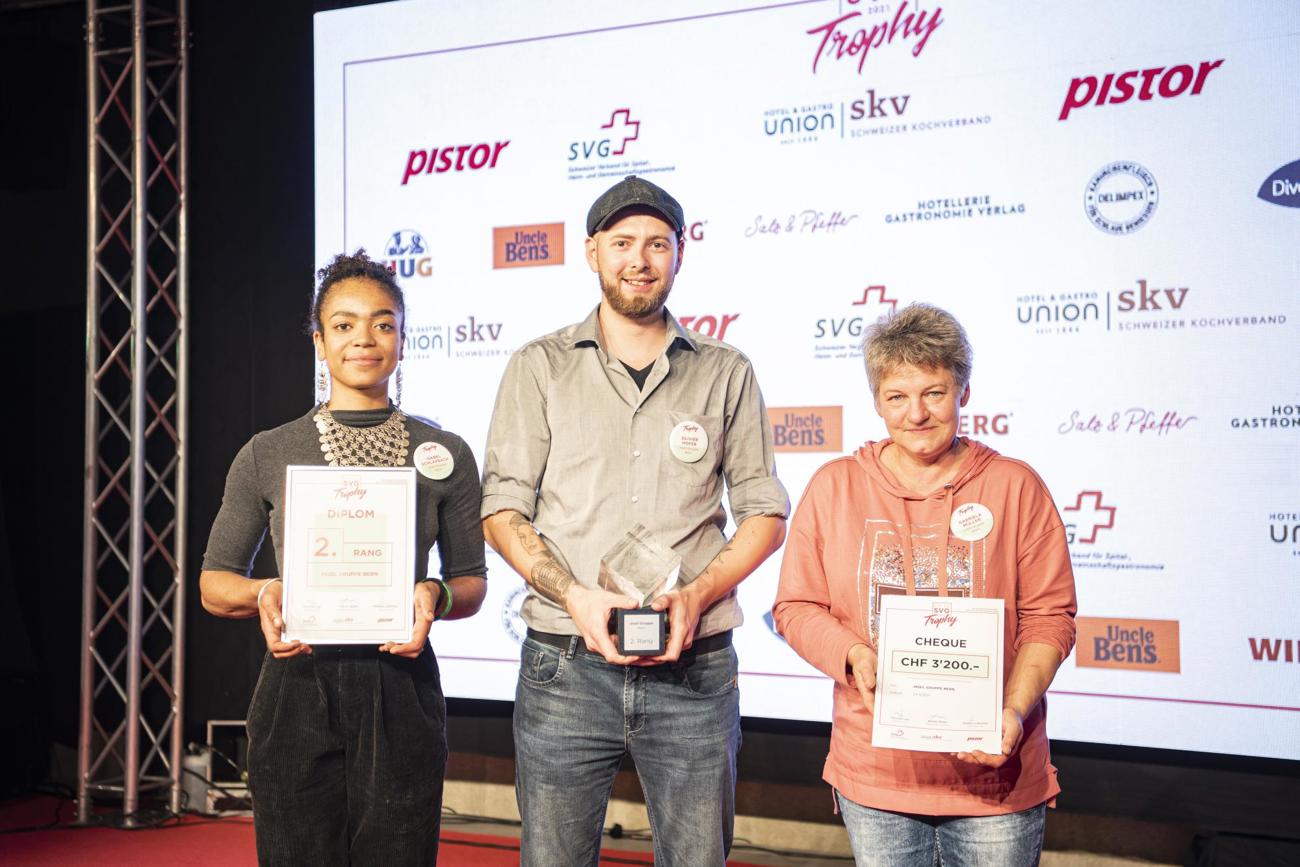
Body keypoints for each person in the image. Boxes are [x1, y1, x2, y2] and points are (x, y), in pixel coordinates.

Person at [481, 175, 789, 866]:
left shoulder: (725, 371)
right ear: (592, 252)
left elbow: (765, 513)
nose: (639, 259)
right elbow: (501, 510)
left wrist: (697, 594)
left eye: (657, 243)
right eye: (622, 243)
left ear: (681, 253)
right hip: (566, 662)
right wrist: (576, 594)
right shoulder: (538, 367)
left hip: (695, 666)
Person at [198, 251, 487, 866]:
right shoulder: (268, 452)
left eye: (383, 324)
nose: (365, 338)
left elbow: (472, 584)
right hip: (296, 688)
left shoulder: (445, 452)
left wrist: (432, 596)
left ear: (404, 341)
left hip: (401, 690)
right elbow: (214, 584)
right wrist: (265, 593)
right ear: (320, 340)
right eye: (345, 324)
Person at [773, 303, 1077, 866]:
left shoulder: (1015, 486)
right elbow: (796, 606)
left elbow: (1050, 618)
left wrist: (1011, 710)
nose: (916, 413)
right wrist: (853, 654)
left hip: (994, 776)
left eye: (934, 393)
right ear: (877, 401)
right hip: (876, 776)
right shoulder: (835, 486)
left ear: (963, 391)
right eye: (897, 397)